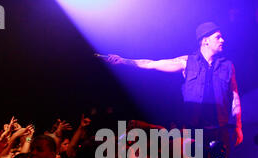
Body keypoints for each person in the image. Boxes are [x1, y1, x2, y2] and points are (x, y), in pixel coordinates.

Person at [104, 21, 243, 148]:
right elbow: (152, 64)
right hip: (194, 131)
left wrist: (238, 126)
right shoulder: (186, 62)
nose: (222, 40)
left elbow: (234, 95)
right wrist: (123, 60)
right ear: (205, 41)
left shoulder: (228, 66)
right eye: (218, 37)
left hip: (220, 130)